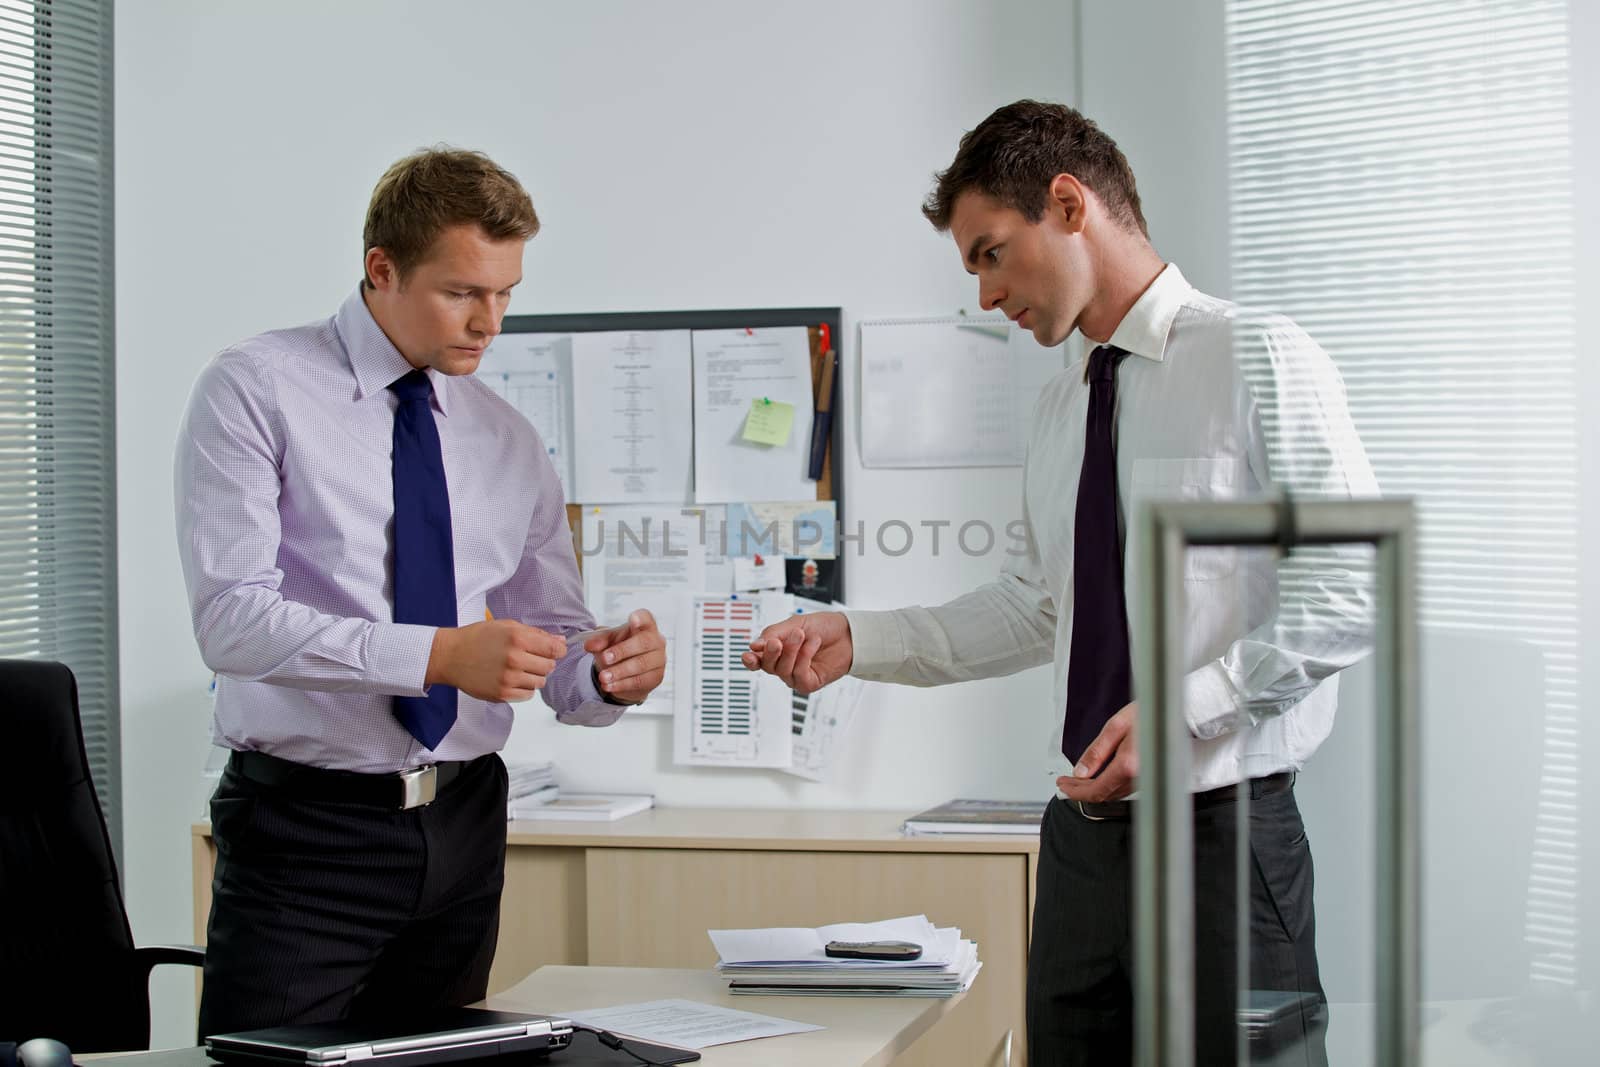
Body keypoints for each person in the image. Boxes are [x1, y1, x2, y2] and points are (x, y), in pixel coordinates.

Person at [742, 101, 1377, 1065]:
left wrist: (1186, 707)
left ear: (1070, 204)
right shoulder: (1060, 403)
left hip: (1222, 842)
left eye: (990, 253)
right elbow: (1038, 606)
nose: (987, 295)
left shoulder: (1257, 356)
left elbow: (1350, 586)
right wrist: (862, 637)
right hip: (1081, 844)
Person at [175, 148, 666, 1035]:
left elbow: (553, 637)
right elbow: (231, 621)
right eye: (463, 293)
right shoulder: (254, 388)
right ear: (382, 269)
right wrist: (440, 654)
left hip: (466, 821)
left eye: (507, 292)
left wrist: (606, 673)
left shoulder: (506, 435)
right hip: (308, 827)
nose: (491, 323)